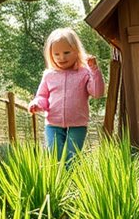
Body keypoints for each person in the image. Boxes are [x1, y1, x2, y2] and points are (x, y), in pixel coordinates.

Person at [28, 27, 105, 163]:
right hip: (53, 124)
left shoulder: (84, 73)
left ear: (77, 51)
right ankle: (58, 183)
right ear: (50, 55)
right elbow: (42, 96)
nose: (61, 57)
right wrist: (37, 104)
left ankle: (72, 183)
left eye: (67, 52)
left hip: (78, 124)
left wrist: (94, 70)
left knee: (72, 158)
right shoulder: (49, 75)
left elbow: (97, 93)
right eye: (56, 54)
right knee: (55, 156)